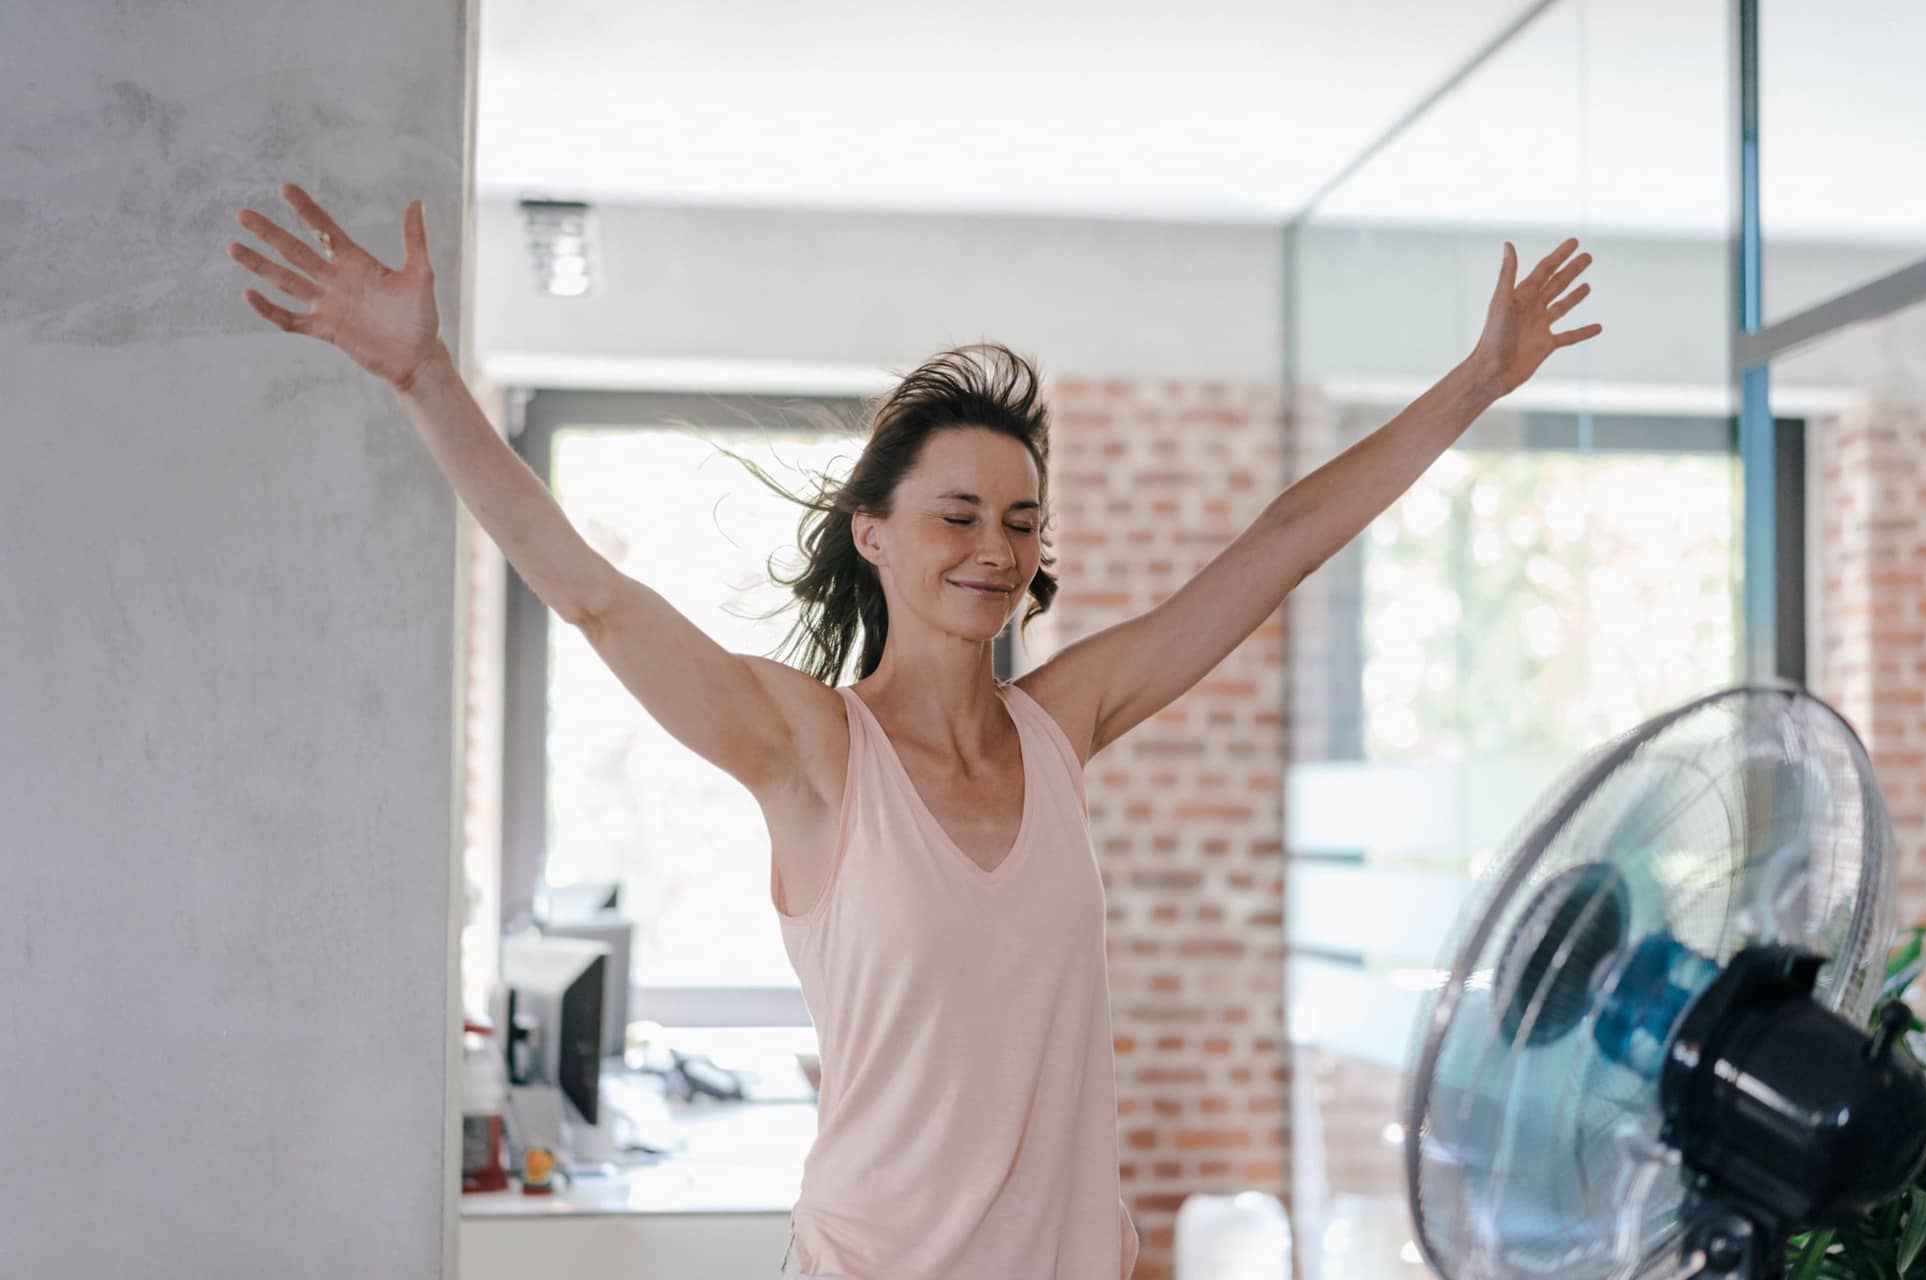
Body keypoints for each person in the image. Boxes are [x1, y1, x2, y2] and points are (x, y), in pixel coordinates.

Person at [227, 183, 1599, 1280]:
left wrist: (1473, 383)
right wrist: (424, 380)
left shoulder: (1064, 722)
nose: (994, 550)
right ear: (873, 533)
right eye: (958, 514)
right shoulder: (811, 753)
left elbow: (1283, 544)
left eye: (1019, 521)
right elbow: (591, 597)